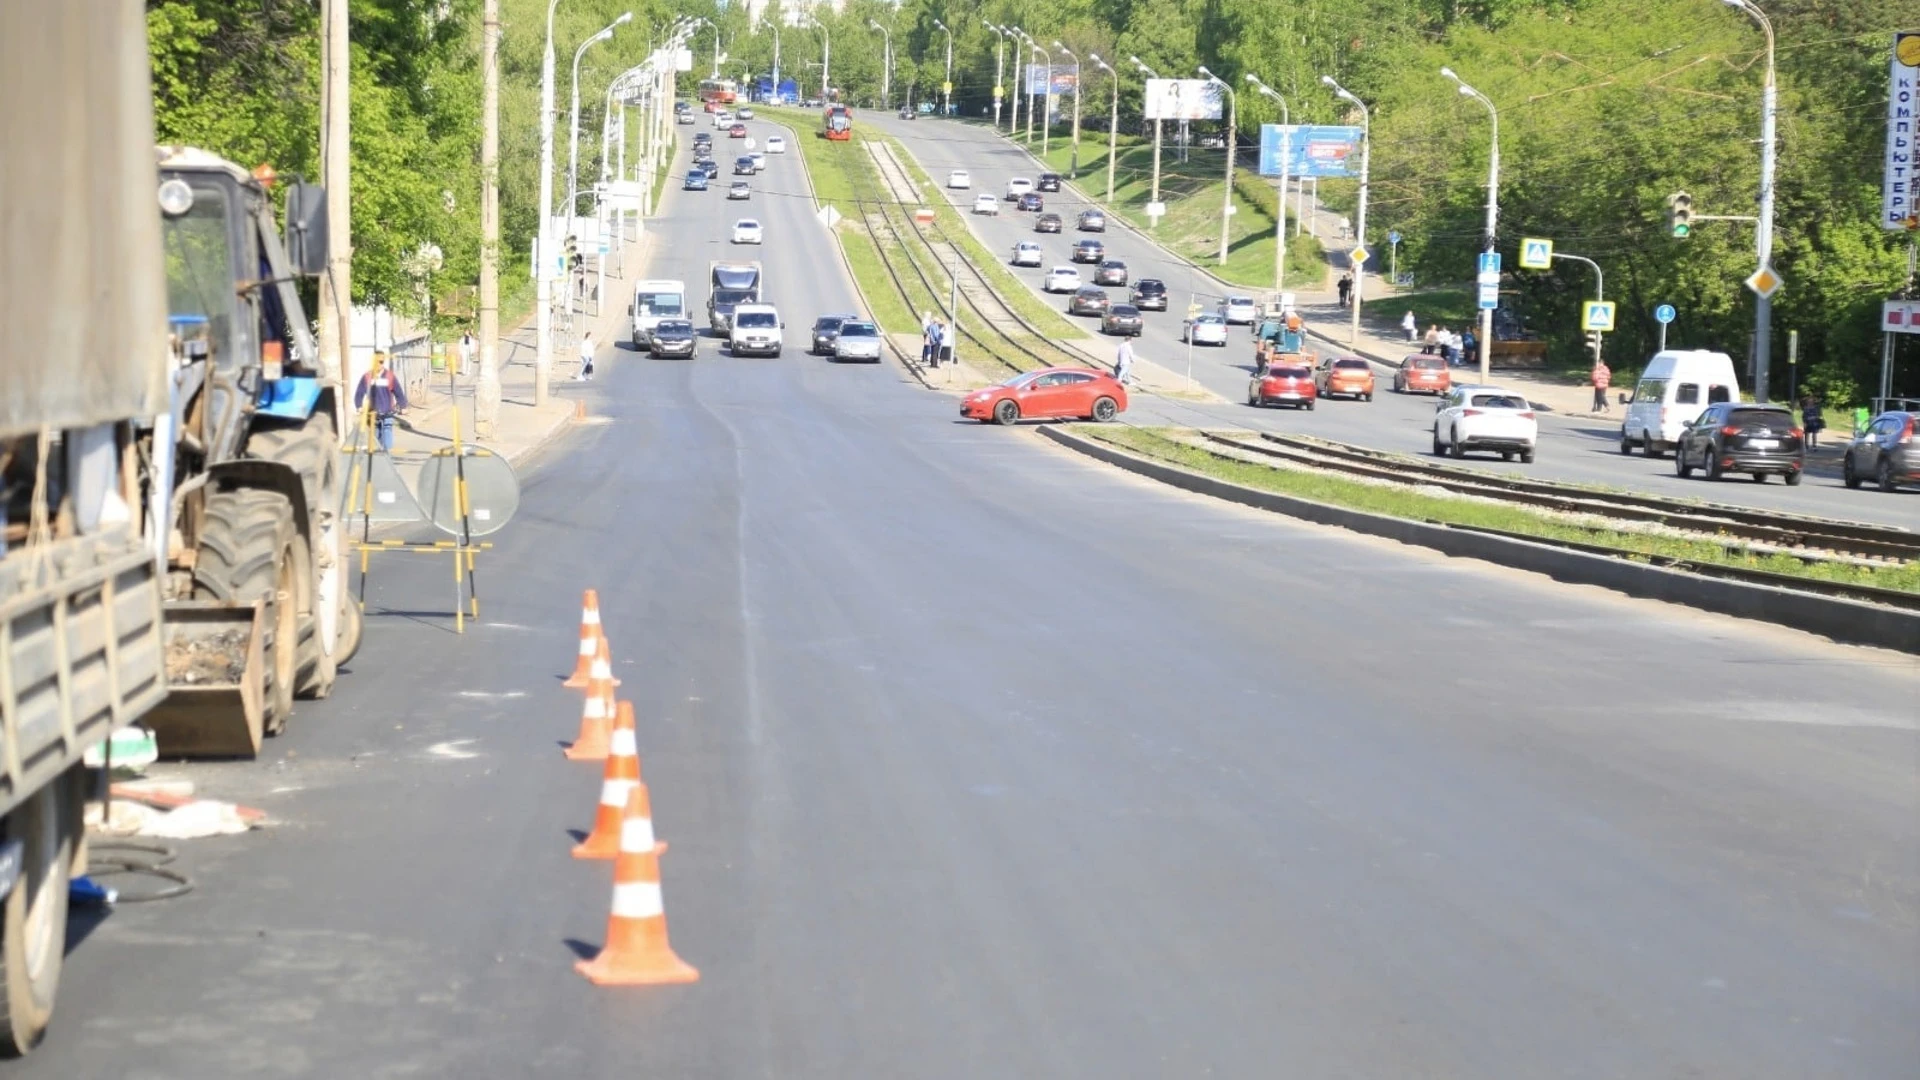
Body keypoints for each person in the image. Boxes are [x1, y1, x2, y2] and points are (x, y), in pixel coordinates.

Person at [353, 358, 409, 453]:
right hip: (372, 413)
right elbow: (359, 392)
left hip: (387, 411)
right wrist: (359, 406)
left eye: (381, 362)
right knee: (375, 437)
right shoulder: (367, 377)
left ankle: (387, 456)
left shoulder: (389, 376)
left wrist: (403, 406)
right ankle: (376, 457)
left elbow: (398, 391)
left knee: (387, 433)